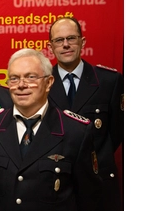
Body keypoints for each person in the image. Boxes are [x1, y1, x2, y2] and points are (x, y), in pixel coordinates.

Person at [0, 48, 102, 211]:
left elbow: (89, 196)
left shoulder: (75, 131)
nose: (21, 85)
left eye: (30, 77)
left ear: (49, 82)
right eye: (14, 78)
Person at [47, 17, 124, 211]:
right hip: (55, 179)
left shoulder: (109, 81)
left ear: (83, 42)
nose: (66, 45)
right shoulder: (42, 83)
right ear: (51, 46)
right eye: (59, 40)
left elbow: (117, 131)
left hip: (98, 180)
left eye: (71, 38)